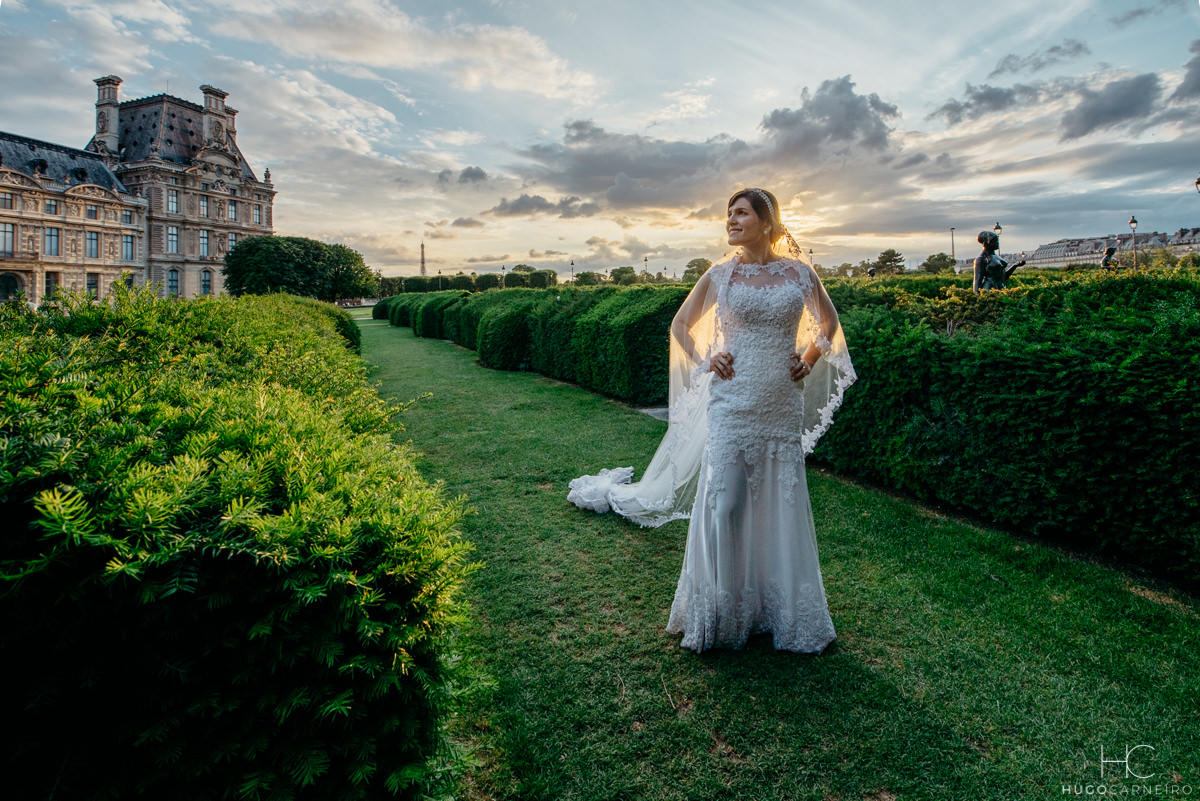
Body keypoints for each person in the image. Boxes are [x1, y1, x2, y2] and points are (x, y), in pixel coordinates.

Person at [567, 188, 856, 653]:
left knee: (779, 507)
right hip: (732, 402)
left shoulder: (799, 273)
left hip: (780, 403)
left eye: (741, 213)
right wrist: (708, 358)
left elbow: (828, 324)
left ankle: (776, 611)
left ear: (767, 222)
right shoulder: (721, 274)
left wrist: (808, 359)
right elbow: (681, 326)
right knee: (725, 505)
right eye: (729, 214)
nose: (731, 221)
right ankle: (720, 613)